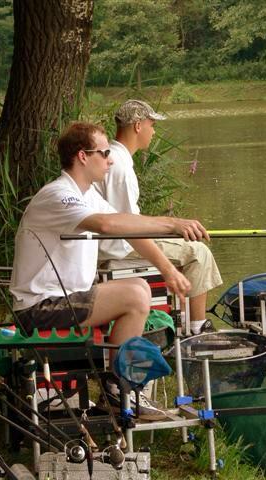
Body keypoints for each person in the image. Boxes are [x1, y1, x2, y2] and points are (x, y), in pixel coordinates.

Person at [9, 121, 209, 420]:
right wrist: (172, 224)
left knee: (140, 288)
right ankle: (118, 390)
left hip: (67, 299)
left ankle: (119, 389)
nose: (110, 159)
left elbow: (126, 227)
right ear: (82, 156)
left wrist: (167, 269)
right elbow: (106, 225)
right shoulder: (58, 195)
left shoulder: (87, 195)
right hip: (40, 306)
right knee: (135, 295)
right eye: (104, 153)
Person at [95, 99, 223, 334]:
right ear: (137, 126)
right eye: (151, 124)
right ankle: (197, 328)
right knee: (199, 252)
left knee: (187, 244)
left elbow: (128, 218)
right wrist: (171, 227)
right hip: (117, 247)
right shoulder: (119, 166)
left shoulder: (115, 158)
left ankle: (182, 322)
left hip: (116, 241)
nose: (153, 131)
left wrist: (170, 227)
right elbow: (127, 225)